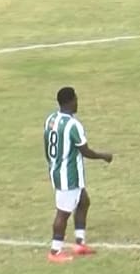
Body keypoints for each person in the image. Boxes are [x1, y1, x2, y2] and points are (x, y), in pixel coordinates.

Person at [43, 86, 114, 262]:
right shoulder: (73, 125)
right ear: (69, 101)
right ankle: (55, 252)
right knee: (63, 213)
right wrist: (103, 156)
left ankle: (80, 243)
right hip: (69, 175)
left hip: (57, 170)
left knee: (83, 201)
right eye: (75, 99)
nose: (77, 102)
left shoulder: (51, 119)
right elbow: (85, 151)